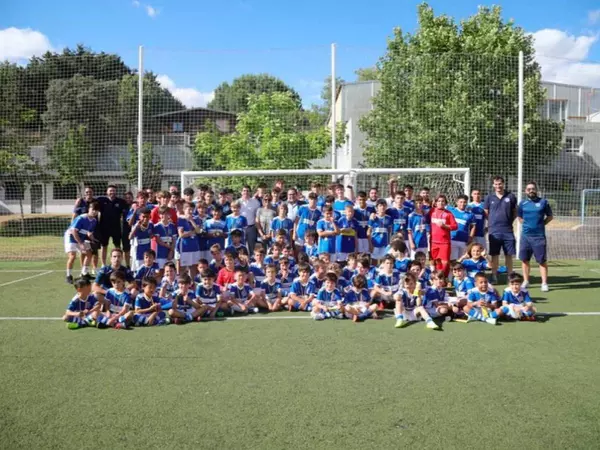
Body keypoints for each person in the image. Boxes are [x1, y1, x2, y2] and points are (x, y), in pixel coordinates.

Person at [517, 181, 553, 292]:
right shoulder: (522, 203)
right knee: (524, 260)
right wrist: (528, 226)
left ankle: (544, 283)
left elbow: (550, 216)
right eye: (528, 189)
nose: (531, 190)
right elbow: (519, 218)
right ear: (525, 191)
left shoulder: (543, 202)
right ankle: (526, 280)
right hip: (525, 236)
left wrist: (541, 225)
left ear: (536, 190)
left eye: (533, 188)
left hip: (539, 236)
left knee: (541, 261)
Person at [484, 176, 517, 282]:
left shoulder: (511, 196)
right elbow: (486, 211)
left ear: (503, 184)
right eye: (496, 184)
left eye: (500, 184)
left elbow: (515, 211)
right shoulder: (489, 197)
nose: (498, 186)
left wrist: (509, 220)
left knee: (509, 254)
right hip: (494, 231)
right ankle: (494, 276)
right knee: (495, 255)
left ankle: (510, 276)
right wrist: (492, 222)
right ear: (493, 185)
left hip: (508, 230)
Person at [64, 200, 100, 284]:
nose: (94, 211)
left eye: (96, 210)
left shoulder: (94, 221)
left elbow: (89, 232)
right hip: (71, 237)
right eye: (93, 209)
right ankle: (68, 276)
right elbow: (73, 231)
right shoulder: (81, 218)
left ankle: (84, 273)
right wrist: (80, 243)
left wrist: (93, 239)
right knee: (72, 256)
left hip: (81, 237)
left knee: (89, 253)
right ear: (89, 209)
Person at [96, 185, 128, 266]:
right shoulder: (101, 200)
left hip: (116, 228)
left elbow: (127, 208)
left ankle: (119, 263)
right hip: (104, 228)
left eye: (113, 190)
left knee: (117, 246)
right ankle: (103, 264)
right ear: (107, 192)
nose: (112, 192)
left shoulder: (120, 201)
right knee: (104, 246)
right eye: (110, 190)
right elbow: (91, 204)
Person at [429, 194, 458, 277]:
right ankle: (435, 278)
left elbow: (455, 226)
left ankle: (444, 278)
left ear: (445, 203)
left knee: (444, 262)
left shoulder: (448, 214)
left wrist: (444, 226)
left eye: (443, 201)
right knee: (435, 261)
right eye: (439, 201)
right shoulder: (432, 211)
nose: (441, 203)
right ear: (435, 202)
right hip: (433, 242)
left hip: (444, 242)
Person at [448, 195, 475, 264]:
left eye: (464, 202)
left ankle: (461, 274)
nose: (462, 204)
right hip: (452, 239)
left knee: (462, 260)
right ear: (457, 202)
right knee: (453, 260)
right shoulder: (451, 211)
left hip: (464, 240)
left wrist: (471, 237)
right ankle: (451, 274)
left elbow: (473, 226)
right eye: (461, 202)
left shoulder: (470, 215)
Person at [368, 199, 393, 265]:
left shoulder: (389, 218)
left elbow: (390, 231)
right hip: (375, 244)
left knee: (384, 262)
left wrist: (389, 243)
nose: (382, 207)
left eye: (384, 206)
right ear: (377, 207)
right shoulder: (373, 218)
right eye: (380, 206)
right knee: (374, 261)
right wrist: (370, 244)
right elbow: (368, 232)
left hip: (385, 244)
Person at [239, 185, 261, 253]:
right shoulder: (238, 202)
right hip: (241, 228)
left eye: (247, 191)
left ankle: (252, 261)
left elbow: (258, 214)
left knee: (252, 247)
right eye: (244, 191)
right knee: (241, 248)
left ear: (250, 192)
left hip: (251, 227)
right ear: (241, 192)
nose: (246, 192)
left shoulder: (255, 202)